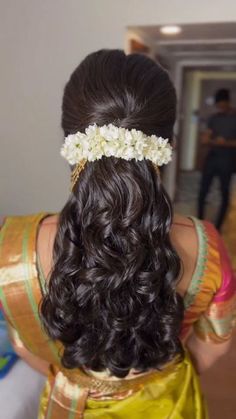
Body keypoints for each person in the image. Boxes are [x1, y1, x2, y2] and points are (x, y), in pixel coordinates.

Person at [0, 50, 236, 419]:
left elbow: (28, 347)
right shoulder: (206, 245)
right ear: (167, 144)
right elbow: (215, 346)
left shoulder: (12, 247)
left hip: (70, 406)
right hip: (167, 404)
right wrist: (150, 383)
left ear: (70, 138)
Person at [198, 88, 236, 230]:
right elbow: (205, 139)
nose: (219, 107)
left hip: (228, 160)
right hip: (212, 158)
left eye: (221, 104)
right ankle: (200, 223)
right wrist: (210, 140)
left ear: (227, 102)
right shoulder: (213, 118)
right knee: (202, 191)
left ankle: (218, 227)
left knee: (224, 193)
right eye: (217, 105)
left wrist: (224, 142)